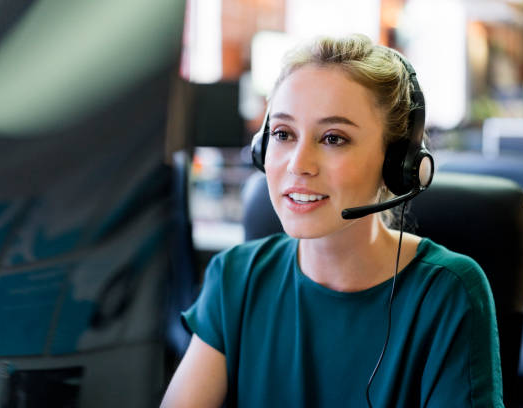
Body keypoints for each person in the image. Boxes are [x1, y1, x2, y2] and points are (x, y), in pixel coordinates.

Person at [160, 34, 504, 407]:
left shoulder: (448, 293)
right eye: (283, 134)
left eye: (334, 138)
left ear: (397, 164)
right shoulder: (235, 278)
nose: (298, 164)